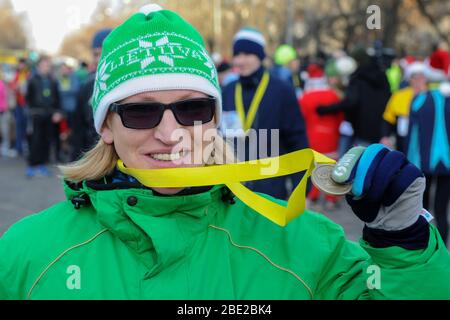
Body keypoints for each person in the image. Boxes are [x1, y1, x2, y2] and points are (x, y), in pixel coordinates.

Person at [0, 5, 449, 300]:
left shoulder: (309, 248)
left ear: (215, 118)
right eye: (140, 113)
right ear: (107, 127)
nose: (171, 133)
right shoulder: (25, 256)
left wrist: (401, 242)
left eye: (192, 109)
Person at [222, 28, 309, 200]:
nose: (240, 60)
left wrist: (301, 189)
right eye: (237, 54)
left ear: (260, 56)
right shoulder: (228, 91)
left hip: (270, 186)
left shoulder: (281, 89)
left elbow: (297, 140)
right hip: (233, 188)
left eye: (247, 54)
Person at [406, 83, 450, 246]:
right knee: (441, 209)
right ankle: (442, 250)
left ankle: (423, 246)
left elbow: (411, 132)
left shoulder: (419, 100)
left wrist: (408, 160)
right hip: (447, 165)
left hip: (422, 162)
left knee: (421, 209)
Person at [300, 64, 343, 209]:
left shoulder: (305, 97)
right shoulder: (333, 95)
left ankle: (312, 195)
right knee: (331, 165)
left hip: (312, 135)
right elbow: (340, 116)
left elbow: (302, 118)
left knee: (313, 167)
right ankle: (331, 197)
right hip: (331, 135)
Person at [70, 29, 112, 161]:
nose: (99, 58)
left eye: (104, 52)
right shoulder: (87, 86)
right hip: (93, 157)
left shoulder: (130, 85)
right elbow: (78, 128)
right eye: (96, 54)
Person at [25, 55, 62, 177]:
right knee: (35, 140)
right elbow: (28, 97)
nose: (46, 67)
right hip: (36, 114)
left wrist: (57, 111)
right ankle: (32, 165)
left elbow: (57, 98)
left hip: (50, 115)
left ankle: (42, 165)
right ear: (38, 66)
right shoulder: (32, 79)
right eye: (44, 65)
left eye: (48, 65)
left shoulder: (53, 80)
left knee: (46, 141)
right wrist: (31, 111)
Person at [381, 62, 429, 153]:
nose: (418, 79)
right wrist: (385, 136)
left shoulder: (433, 96)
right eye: (415, 76)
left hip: (426, 139)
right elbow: (388, 118)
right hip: (403, 141)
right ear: (410, 79)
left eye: (421, 76)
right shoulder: (399, 95)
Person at [9, 58, 29, 157]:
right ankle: (19, 148)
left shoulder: (28, 74)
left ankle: (26, 146)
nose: (21, 66)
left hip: (27, 104)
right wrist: (15, 87)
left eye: (22, 64)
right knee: (19, 126)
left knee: (26, 127)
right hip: (19, 105)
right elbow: (12, 85)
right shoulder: (16, 74)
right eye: (20, 64)